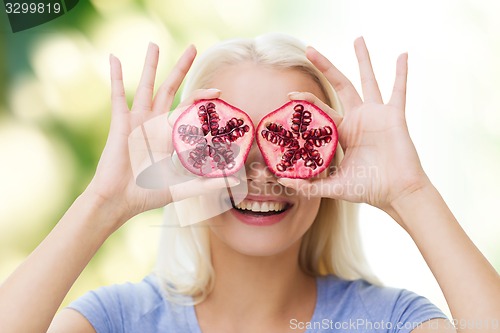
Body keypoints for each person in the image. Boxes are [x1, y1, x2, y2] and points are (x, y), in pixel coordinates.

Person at [0, 33, 498, 333]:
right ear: (184, 157)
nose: (258, 172)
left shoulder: (389, 320)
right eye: (223, 141)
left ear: (331, 159)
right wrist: (104, 203)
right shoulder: (119, 319)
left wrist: (412, 194)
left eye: (288, 139)